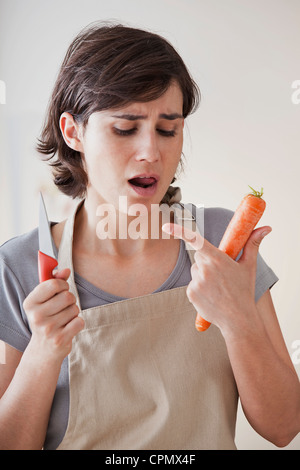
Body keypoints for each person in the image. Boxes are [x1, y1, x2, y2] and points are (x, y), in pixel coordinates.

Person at [0, 22, 299, 450]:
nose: (151, 153)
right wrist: (42, 356)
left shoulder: (221, 240)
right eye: (125, 128)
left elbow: (284, 426)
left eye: (167, 129)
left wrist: (238, 319)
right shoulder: (21, 266)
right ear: (73, 132)